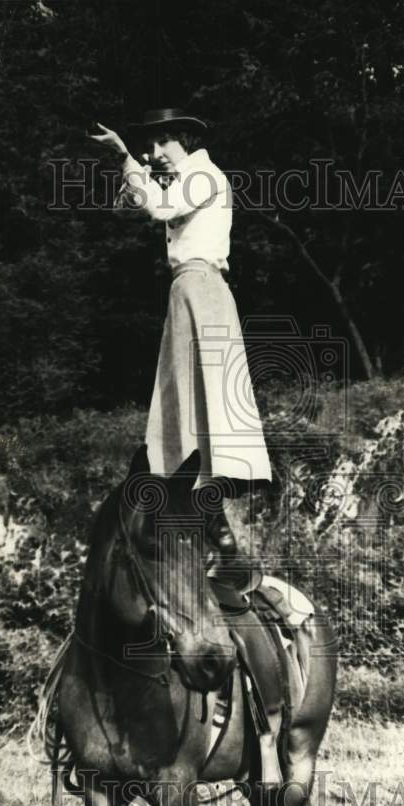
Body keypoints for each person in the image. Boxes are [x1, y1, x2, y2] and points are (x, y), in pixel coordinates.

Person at [89, 108, 272, 586]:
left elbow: (161, 209)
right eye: (148, 150)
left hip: (200, 289)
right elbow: (137, 206)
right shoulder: (187, 178)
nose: (153, 157)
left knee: (197, 419)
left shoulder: (205, 174)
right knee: (186, 420)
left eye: (157, 148)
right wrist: (132, 171)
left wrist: (127, 158)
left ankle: (224, 543)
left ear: (179, 140)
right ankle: (216, 538)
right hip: (188, 291)